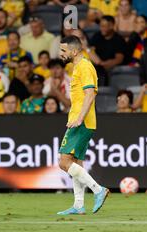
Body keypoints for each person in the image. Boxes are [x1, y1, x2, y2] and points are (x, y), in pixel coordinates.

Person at [57, 35, 109, 216]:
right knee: (75, 163)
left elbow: (90, 94)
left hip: (82, 121)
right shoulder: (78, 67)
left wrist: (79, 118)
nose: (60, 53)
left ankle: (98, 190)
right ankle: (79, 204)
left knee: (63, 162)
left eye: (63, 50)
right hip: (81, 120)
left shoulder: (85, 67)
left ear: (74, 50)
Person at [89, 15, 126, 86]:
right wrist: (98, 62)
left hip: (111, 68)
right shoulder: (97, 36)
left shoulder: (119, 40)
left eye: (104, 26)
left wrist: (103, 63)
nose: (101, 28)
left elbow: (119, 59)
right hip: (97, 65)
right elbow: (91, 51)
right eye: (100, 26)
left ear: (111, 26)